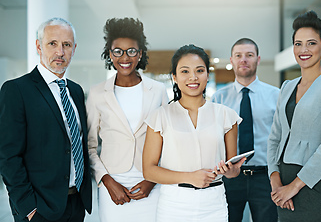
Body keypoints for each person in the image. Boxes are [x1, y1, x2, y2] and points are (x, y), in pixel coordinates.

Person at [0, 17, 92, 221]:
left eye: (66, 45)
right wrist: (28, 208)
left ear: (74, 49)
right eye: (53, 43)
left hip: (75, 204)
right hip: (39, 209)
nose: (60, 52)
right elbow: (8, 156)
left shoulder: (76, 91)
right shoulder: (16, 90)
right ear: (38, 46)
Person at [142, 44, 247, 222]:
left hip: (214, 204)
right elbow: (149, 171)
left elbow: (233, 170)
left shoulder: (226, 115)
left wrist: (230, 170)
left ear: (207, 75)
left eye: (199, 70)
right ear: (174, 77)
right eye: (185, 71)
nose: (193, 77)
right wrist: (190, 177)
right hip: (174, 204)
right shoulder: (160, 116)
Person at [267, 10, 321, 222]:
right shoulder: (287, 87)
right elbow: (274, 138)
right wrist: (276, 183)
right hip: (285, 194)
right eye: (298, 44)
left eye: (311, 43)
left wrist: (293, 187)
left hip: (319, 189)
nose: (303, 50)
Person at [86, 17, 168, 222]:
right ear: (110, 54)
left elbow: (168, 140)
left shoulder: (157, 90)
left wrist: (151, 180)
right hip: (112, 183)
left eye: (131, 50)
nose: (125, 57)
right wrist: (106, 181)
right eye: (118, 51)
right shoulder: (97, 93)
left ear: (140, 54)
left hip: (150, 181)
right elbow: (89, 146)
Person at [211, 38, 279, 222]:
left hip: (266, 177)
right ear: (231, 60)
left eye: (249, 55)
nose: (244, 60)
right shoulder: (218, 98)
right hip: (229, 177)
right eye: (238, 55)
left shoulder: (277, 96)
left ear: (258, 59)